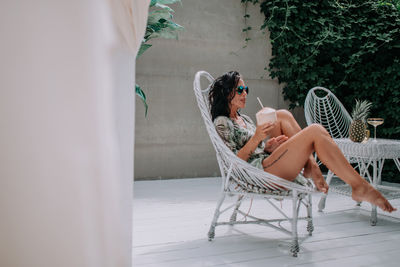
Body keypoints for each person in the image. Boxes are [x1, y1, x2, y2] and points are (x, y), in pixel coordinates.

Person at [209, 71, 396, 212]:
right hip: (255, 172)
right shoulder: (221, 123)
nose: (245, 93)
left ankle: (313, 166)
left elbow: (256, 148)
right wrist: (258, 138)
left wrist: (268, 146)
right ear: (227, 93)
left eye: (246, 89)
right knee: (315, 130)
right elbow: (234, 161)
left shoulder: (245, 119)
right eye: (240, 89)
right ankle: (352, 183)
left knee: (281, 114)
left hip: (265, 161)